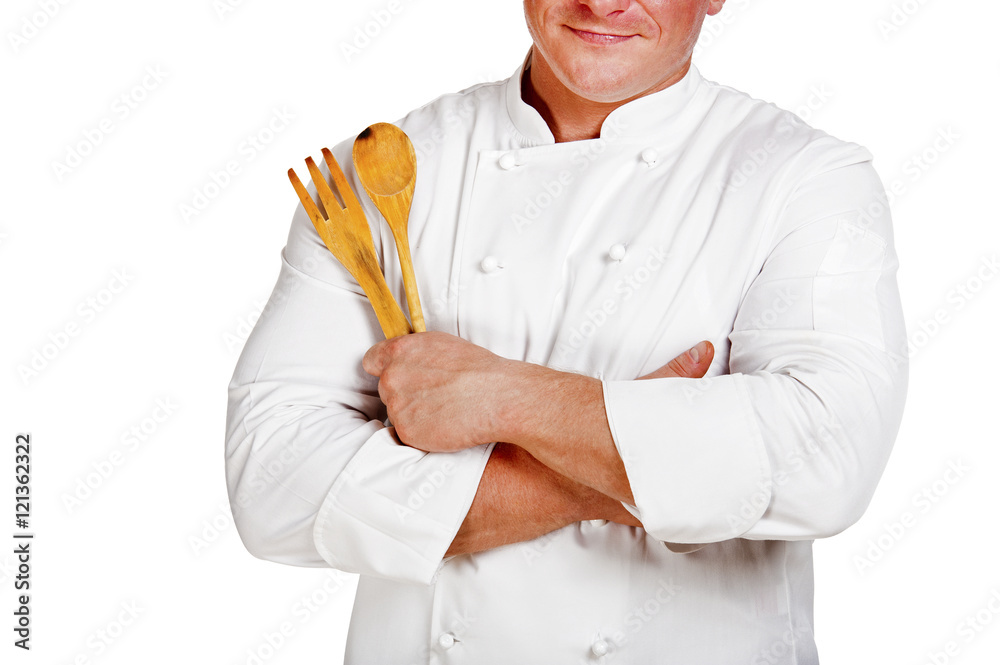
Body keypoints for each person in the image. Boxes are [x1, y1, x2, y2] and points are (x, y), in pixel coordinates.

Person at [225, 1, 908, 662]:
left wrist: (502, 397)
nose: (601, 3)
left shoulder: (805, 179)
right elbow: (271, 483)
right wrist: (641, 471)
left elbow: (826, 461)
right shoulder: (381, 172)